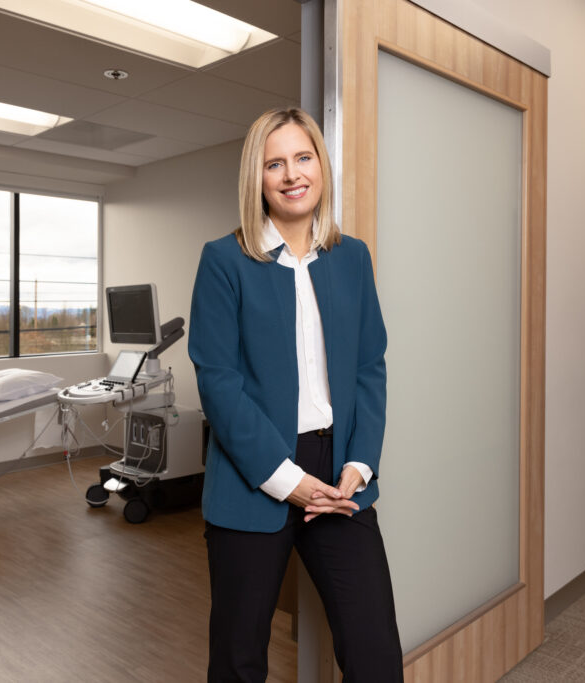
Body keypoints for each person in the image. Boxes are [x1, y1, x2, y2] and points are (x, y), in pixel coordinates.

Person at [188, 107, 403, 682]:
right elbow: (218, 381)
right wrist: (288, 481)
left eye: (303, 158)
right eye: (274, 163)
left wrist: (359, 462)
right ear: (256, 178)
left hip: (338, 473)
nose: (291, 175)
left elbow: (368, 366)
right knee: (238, 661)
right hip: (253, 477)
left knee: (375, 654)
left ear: (320, 167)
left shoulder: (351, 257)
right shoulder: (224, 260)